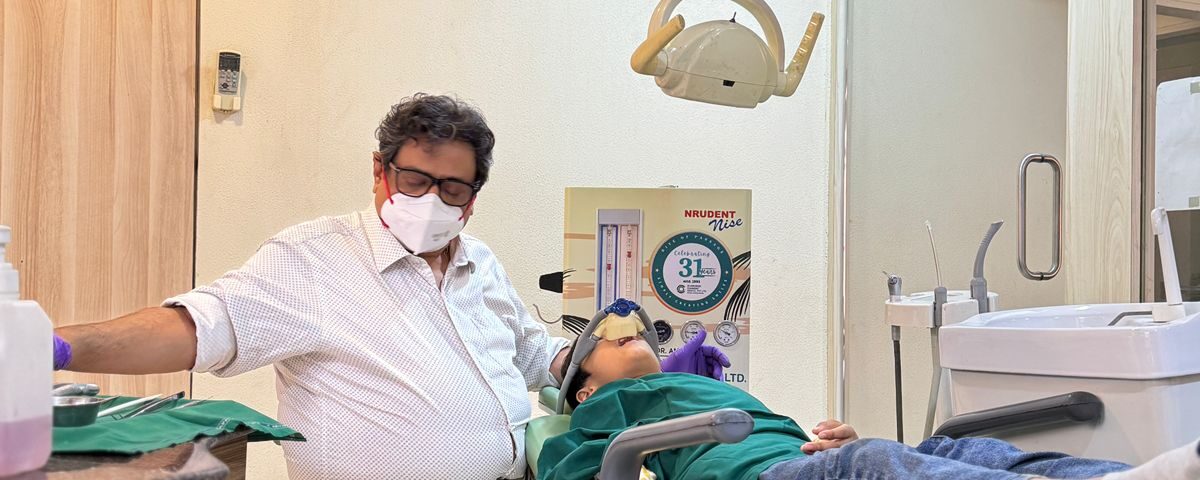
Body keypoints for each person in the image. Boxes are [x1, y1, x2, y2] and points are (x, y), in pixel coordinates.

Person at [50, 94, 727, 479]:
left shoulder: (480, 265)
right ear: (380, 172)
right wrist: (57, 346)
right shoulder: (315, 259)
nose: (432, 198)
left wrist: (643, 368)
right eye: (415, 179)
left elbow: (534, 355)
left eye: (452, 187)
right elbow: (198, 326)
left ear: (473, 197)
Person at [541, 326, 1200, 480]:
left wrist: (835, 437)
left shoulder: (698, 385)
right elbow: (564, 465)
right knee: (873, 463)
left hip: (797, 460)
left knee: (959, 448)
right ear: (585, 387)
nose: (618, 329)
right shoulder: (604, 408)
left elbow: (779, 436)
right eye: (596, 341)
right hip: (761, 477)